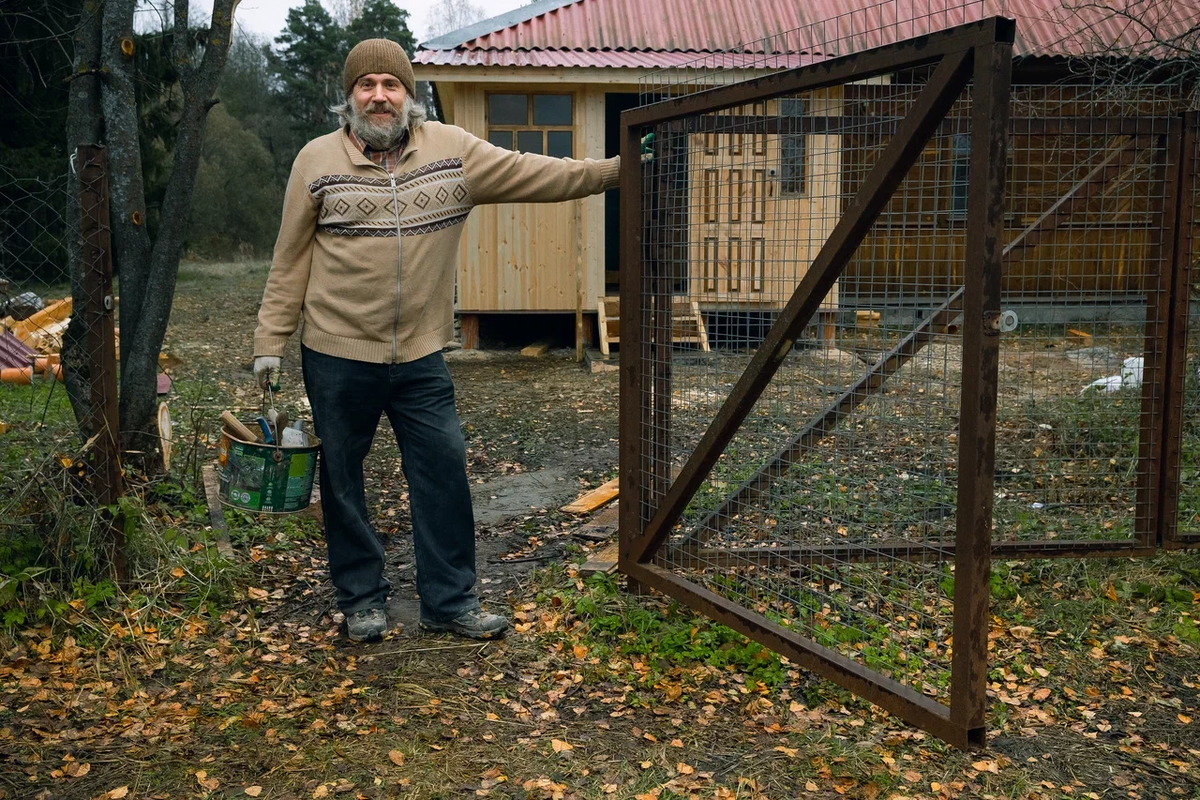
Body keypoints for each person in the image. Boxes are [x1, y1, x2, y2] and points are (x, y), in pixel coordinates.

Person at [252, 39, 620, 642]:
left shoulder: (452, 152)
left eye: (390, 85)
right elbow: (288, 258)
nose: (378, 96)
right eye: (365, 85)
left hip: (421, 352)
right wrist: (271, 339)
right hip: (336, 351)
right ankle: (361, 598)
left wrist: (617, 169)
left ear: (409, 94)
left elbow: (539, 172)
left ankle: (449, 600)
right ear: (348, 98)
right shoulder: (315, 161)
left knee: (443, 473)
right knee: (343, 480)